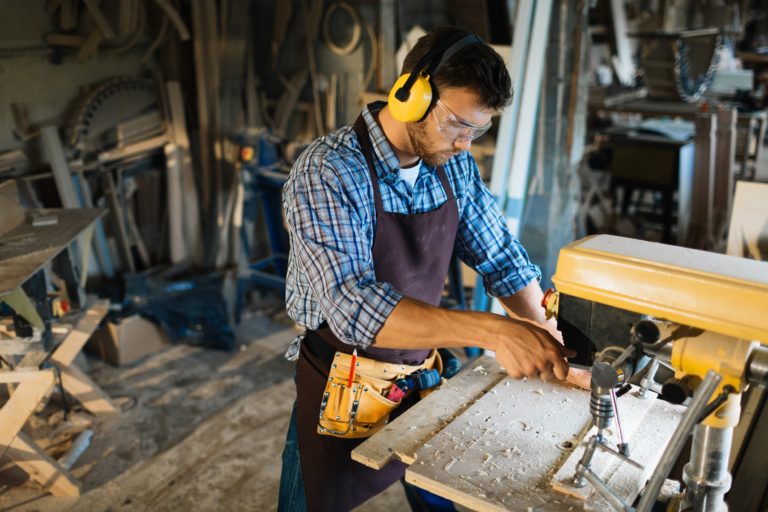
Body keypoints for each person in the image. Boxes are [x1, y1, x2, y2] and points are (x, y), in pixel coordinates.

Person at [278, 26, 579, 511]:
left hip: (420, 368)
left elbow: (499, 254)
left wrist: (547, 339)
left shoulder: (452, 165)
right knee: (312, 501)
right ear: (410, 94)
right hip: (342, 379)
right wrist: (497, 333)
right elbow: (354, 306)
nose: (466, 143)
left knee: (442, 490)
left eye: (478, 130)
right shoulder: (330, 171)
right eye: (458, 123)